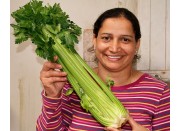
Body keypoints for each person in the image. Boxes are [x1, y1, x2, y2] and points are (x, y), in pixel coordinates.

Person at [36, 8, 170, 131]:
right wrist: (52, 96)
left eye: (125, 39)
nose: (114, 48)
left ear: (137, 45)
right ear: (94, 40)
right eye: (106, 38)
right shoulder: (71, 85)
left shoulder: (160, 93)